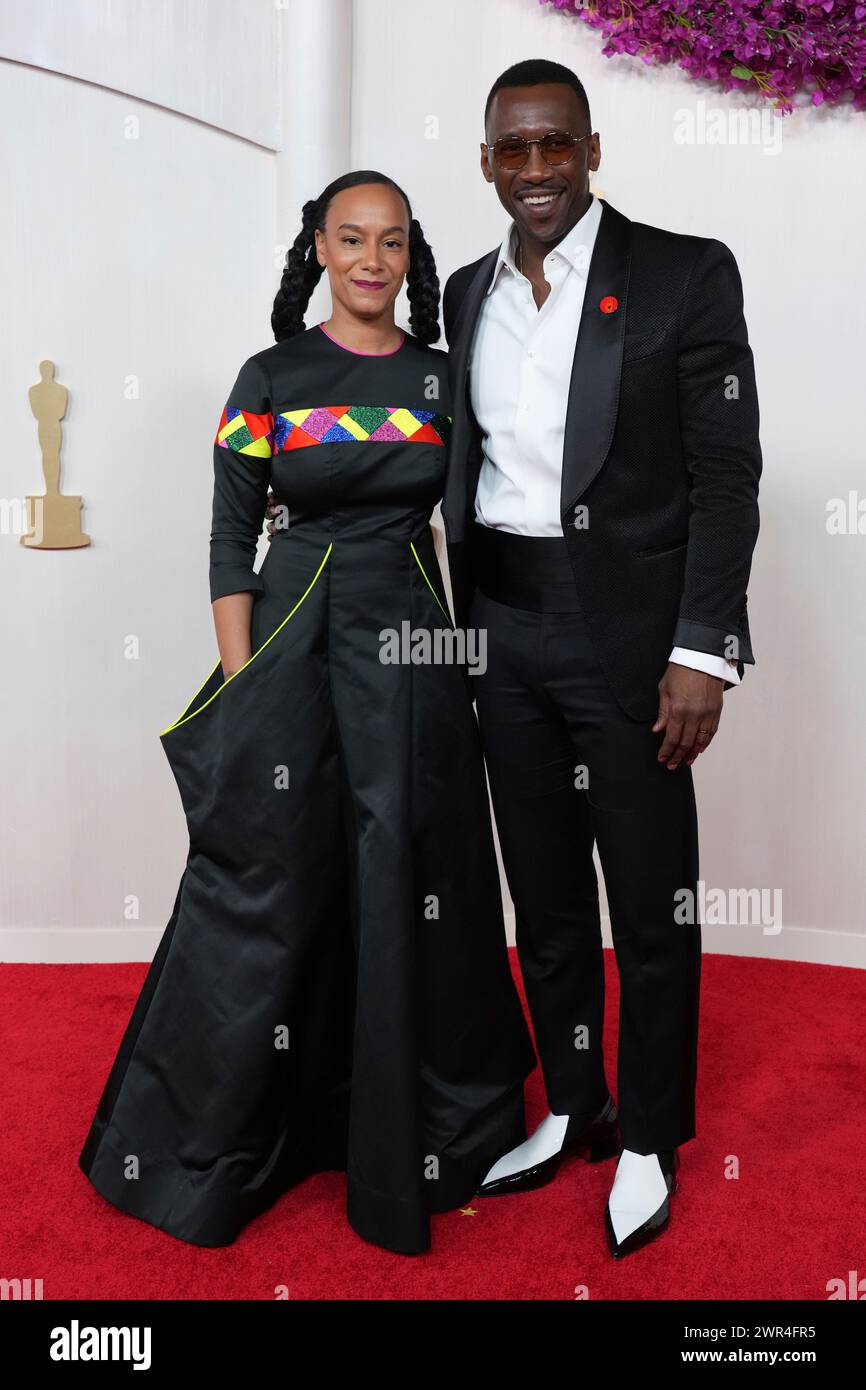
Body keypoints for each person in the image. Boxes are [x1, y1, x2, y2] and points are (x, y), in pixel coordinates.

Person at [78, 170, 536, 1257]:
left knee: (411, 868)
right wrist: (242, 688)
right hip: (288, 638)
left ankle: (404, 1137)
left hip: (411, 641)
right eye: (350, 238)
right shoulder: (268, 376)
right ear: (318, 250)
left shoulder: (439, 377)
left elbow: (479, 524)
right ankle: (216, 1144)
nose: (371, 259)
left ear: (406, 256)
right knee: (270, 873)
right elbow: (229, 536)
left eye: (390, 242)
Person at [439, 60, 762, 1258]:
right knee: (546, 890)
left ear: (589, 147)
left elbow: (725, 476)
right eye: (511, 151)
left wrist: (700, 650)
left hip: (629, 637)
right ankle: (573, 1100)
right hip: (501, 632)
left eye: (554, 146)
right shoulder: (465, 293)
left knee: (649, 894)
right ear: (485, 161)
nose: (534, 171)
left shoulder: (682, 271)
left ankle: (646, 1132)